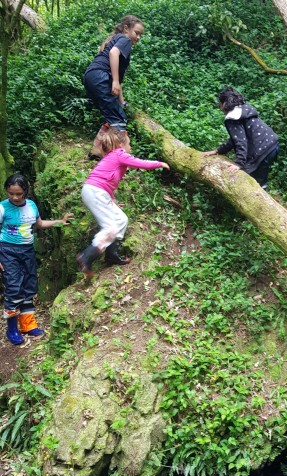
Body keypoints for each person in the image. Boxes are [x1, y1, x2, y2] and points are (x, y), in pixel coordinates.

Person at [76, 126, 169, 278]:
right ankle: (87, 256)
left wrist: (112, 201)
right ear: (121, 145)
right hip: (95, 191)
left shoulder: (111, 157)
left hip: (96, 191)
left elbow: (107, 180)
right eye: (129, 144)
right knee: (111, 227)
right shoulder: (119, 154)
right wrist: (159, 163)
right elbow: (140, 163)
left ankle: (111, 255)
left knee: (121, 219)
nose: (130, 147)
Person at [0, 174, 73, 345]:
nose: (15, 197)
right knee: (13, 287)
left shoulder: (31, 205)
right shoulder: (2, 208)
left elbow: (39, 224)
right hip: (7, 251)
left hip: (27, 251)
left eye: (19, 193)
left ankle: (27, 324)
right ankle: (12, 329)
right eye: (11, 193)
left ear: (25, 191)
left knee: (29, 285)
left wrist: (59, 222)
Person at [84, 15, 144, 153]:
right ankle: (119, 159)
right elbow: (113, 53)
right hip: (100, 77)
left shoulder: (116, 39)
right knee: (118, 119)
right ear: (126, 28)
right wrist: (115, 81)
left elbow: (118, 77)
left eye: (141, 34)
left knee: (113, 115)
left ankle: (97, 151)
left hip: (92, 76)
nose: (138, 37)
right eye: (137, 33)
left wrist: (121, 102)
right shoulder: (125, 39)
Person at [202, 87, 280, 190]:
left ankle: (258, 199)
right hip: (273, 145)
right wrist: (218, 151)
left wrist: (239, 163)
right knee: (260, 177)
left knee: (251, 178)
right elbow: (234, 140)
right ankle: (262, 190)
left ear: (224, 104)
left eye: (219, 104)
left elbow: (240, 141)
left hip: (263, 149)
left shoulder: (233, 117)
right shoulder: (243, 110)